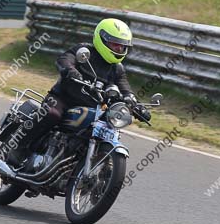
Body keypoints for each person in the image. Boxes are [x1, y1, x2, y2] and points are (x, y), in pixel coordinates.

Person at [14, 19, 150, 155]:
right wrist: (70, 70)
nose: (119, 49)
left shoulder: (117, 69)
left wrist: (136, 105)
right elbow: (64, 59)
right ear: (102, 39)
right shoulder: (84, 51)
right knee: (51, 114)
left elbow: (125, 89)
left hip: (94, 109)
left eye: (122, 46)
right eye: (115, 45)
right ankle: (19, 148)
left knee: (108, 128)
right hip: (63, 100)